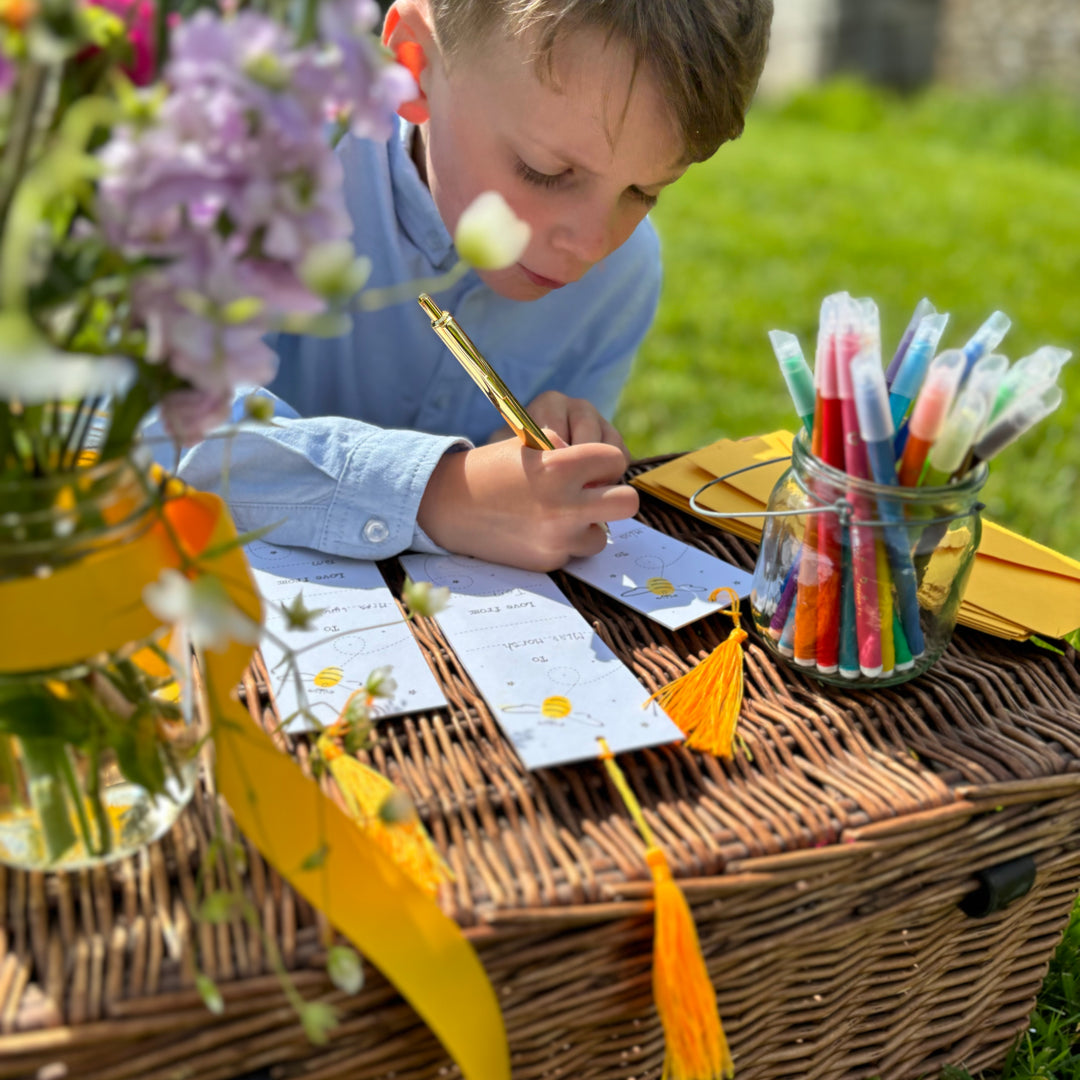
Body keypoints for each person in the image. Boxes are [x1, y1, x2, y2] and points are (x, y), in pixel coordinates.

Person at [168, 0, 773, 572]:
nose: (591, 245)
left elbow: (528, 510)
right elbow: (127, 424)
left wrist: (550, 469)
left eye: (644, 192)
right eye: (547, 171)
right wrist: (438, 494)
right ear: (413, 68)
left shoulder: (623, 276)